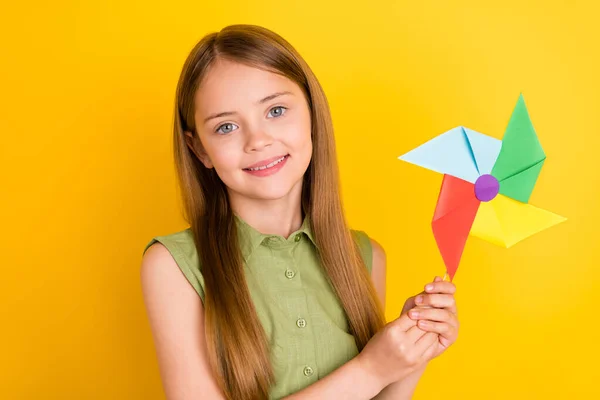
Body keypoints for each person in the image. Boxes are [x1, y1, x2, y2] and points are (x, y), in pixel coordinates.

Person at [140, 24, 459, 400]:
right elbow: (367, 378)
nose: (258, 140)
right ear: (200, 150)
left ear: (311, 111)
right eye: (226, 126)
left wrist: (412, 353)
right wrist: (371, 369)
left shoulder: (364, 257)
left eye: (276, 110)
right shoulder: (173, 266)